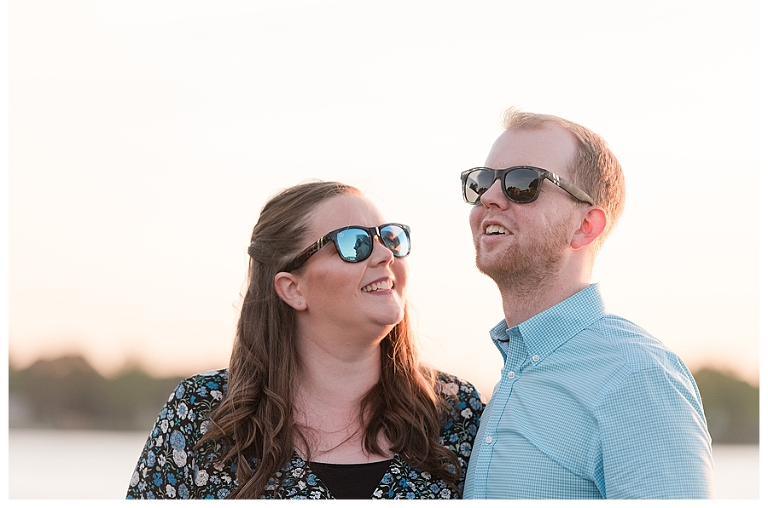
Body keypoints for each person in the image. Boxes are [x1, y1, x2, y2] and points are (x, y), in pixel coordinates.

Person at [126, 181, 484, 499]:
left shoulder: (455, 413)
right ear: (292, 288)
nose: (385, 255)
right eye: (354, 243)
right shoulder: (202, 414)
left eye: (390, 237)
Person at [460, 108, 715, 499]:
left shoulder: (635, 377)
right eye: (481, 182)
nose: (491, 198)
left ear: (586, 226)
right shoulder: (514, 377)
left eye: (523, 183)